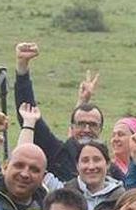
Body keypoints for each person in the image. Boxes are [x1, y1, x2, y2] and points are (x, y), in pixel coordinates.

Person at [12, 42, 105, 182]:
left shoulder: (107, 166)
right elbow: (28, 112)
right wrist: (22, 68)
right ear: (72, 128)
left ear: (101, 129)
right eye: (81, 124)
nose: (86, 129)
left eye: (92, 125)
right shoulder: (57, 153)